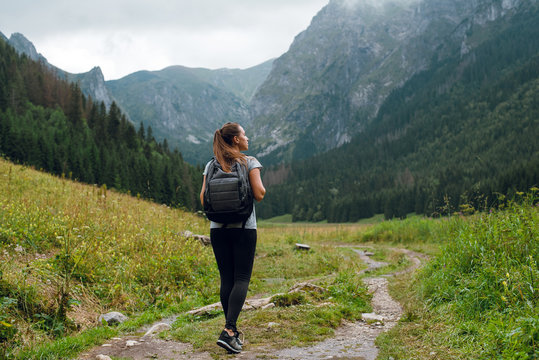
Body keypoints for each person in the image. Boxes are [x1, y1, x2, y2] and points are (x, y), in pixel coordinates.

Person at [199, 122, 266, 353]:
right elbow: (259, 194)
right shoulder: (249, 161)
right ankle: (229, 331)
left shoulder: (211, 164)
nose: (248, 138)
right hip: (244, 227)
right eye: (244, 135)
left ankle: (232, 331)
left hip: (217, 229)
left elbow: (202, 199)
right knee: (242, 278)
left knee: (226, 279)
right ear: (236, 140)